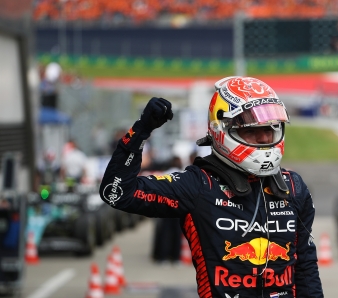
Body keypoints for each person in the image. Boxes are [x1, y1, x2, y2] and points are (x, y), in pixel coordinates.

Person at [99, 76, 324, 298]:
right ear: (222, 130)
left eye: (269, 129)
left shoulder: (293, 187)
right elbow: (116, 192)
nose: (264, 138)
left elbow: (305, 266)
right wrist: (140, 132)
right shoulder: (198, 185)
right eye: (252, 131)